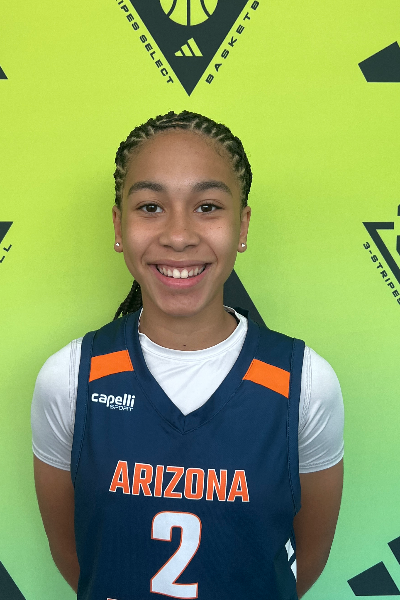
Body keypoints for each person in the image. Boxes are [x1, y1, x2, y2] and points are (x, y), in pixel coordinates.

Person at [32, 110, 344, 600]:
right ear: (119, 225)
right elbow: (79, 557)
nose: (178, 235)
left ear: (242, 226)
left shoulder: (304, 383)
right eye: (151, 206)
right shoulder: (70, 378)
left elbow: (304, 559)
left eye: (207, 206)